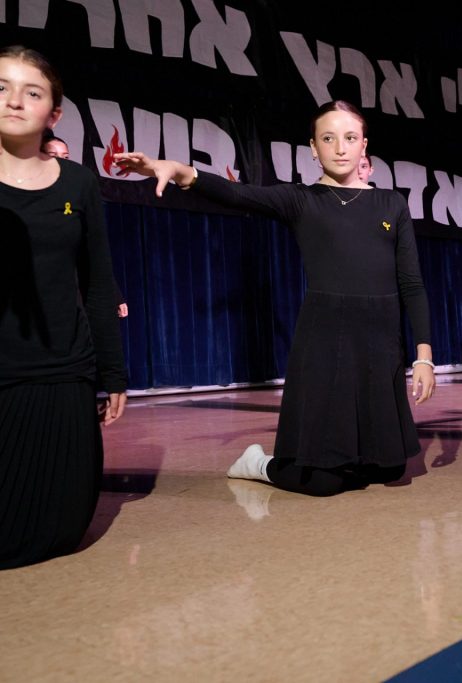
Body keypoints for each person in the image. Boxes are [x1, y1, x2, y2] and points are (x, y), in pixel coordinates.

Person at [114, 100, 436, 496]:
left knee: (390, 472)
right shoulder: (302, 200)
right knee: (324, 482)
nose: (340, 147)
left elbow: (413, 284)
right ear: (314, 149)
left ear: (364, 145)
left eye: (350, 138)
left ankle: (344, 455)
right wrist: (181, 171)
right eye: (328, 138)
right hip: (326, 342)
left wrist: (423, 356)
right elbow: (238, 194)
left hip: (380, 344)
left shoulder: (392, 204)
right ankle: (259, 464)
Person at [0, 46, 127, 568]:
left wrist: (113, 372)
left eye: (32, 92)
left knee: (59, 530)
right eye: (1, 87)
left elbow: (99, 282)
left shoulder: (77, 182)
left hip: (63, 373)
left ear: (54, 113)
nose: (13, 101)